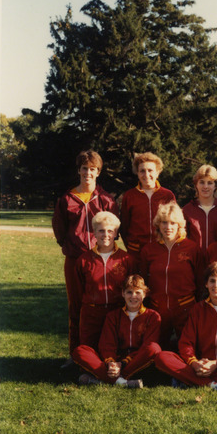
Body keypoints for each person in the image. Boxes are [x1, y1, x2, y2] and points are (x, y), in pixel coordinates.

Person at [51, 150, 119, 364]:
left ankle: (105, 352)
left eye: (92, 169)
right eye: (84, 168)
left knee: (103, 306)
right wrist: (72, 246)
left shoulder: (106, 199)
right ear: (78, 170)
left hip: (101, 260)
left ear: (98, 172)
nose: (88, 173)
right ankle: (75, 354)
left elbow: (115, 228)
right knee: (76, 306)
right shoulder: (67, 199)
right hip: (75, 258)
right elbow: (60, 230)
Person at [156, 262, 217, 390]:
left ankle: (191, 380)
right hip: (200, 364)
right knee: (162, 357)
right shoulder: (198, 309)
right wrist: (195, 363)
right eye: (212, 281)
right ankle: (214, 384)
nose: (216, 285)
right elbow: (186, 342)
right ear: (206, 284)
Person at [73, 274, 162, 388]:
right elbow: (107, 344)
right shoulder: (113, 316)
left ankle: (107, 380)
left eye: (138, 292)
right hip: (115, 362)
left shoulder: (153, 316)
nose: (133, 296)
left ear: (144, 294)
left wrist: (123, 364)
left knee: (154, 348)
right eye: (129, 292)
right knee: (80, 350)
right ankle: (122, 382)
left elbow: (147, 346)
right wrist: (111, 363)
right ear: (123, 294)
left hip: (137, 363)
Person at [139, 201, 206, 349]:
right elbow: (143, 281)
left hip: (185, 307)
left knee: (189, 349)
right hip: (158, 307)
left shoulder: (191, 248)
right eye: (164, 222)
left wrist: (196, 305)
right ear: (158, 224)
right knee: (154, 350)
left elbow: (201, 280)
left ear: (179, 225)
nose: (168, 227)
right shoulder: (149, 250)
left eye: (172, 223)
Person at [74, 211, 137, 351]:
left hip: (117, 311)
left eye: (110, 231)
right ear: (94, 233)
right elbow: (78, 291)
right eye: (101, 231)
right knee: (89, 349)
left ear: (116, 234)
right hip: (91, 313)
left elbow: (133, 289)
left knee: (115, 348)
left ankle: (115, 370)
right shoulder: (83, 260)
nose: (106, 235)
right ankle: (89, 372)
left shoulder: (126, 259)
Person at [119, 152, 176, 262]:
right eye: (142, 171)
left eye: (150, 170)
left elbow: (175, 223)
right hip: (136, 252)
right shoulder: (130, 196)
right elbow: (124, 226)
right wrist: (131, 246)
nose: (146, 174)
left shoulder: (167, 195)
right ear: (137, 173)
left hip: (161, 250)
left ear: (157, 172)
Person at [182, 164, 217, 250]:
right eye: (202, 182)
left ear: (215, 186)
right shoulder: (187, 210)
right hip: (194, 259)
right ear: (196, 185)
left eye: (210, 183)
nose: (205, 186)